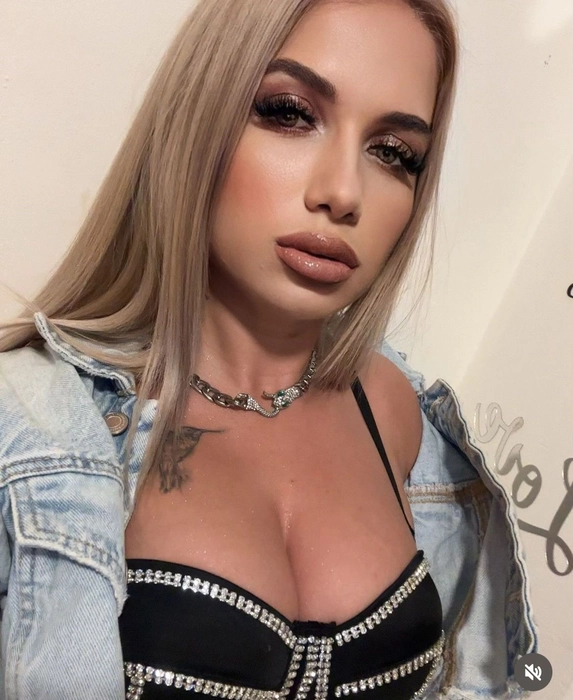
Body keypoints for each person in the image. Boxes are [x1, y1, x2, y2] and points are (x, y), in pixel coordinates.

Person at [0, 0, 538, 698]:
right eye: (289, 113)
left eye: (393, 152)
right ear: (197, 117)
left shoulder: (398, 411)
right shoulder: (30, 426)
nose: (342, 193)